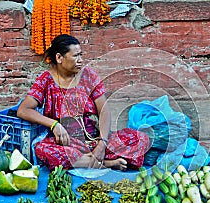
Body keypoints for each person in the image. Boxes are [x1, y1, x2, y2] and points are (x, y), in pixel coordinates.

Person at [17, 34, 150, 171]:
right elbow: (23, 110)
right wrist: (54, 125)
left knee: (140, 139)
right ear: (59, 58)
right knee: (43, 150)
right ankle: (105, 164)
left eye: (81, 55)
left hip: (94, 139)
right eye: (75, 56)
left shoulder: (88, 76)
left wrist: (102, 144)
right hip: (67, 144)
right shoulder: (46, 80)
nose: (80, 60)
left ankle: (86, 160)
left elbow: (103, 110)